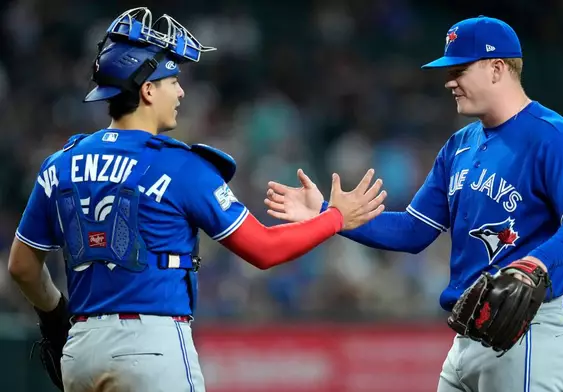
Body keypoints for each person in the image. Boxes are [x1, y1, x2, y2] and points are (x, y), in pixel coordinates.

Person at [7, 7, 386, 392]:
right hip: (151, 347)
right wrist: (335, 218)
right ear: (148, 89)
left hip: (80, 352)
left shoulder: (61, 163)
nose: (182, 91)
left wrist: (57, 317)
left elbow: (22, 266)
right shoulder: (179, 165)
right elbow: (264, 249)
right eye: (173, 78)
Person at [264, 15, 563, 392]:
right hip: (467, 334)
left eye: (460, 69)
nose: (450, 81)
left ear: (497, 68)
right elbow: (413, 231)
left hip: (528, 331)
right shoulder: (458, 147)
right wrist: (331, 216)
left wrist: (534, 262)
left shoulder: (553, 137)